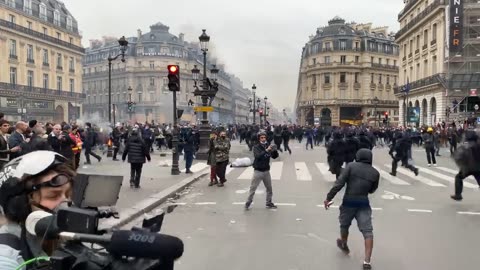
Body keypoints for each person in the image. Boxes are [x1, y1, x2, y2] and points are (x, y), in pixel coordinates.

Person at [0, 151, 76, 269]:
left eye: (68, 194)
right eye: (53, 196)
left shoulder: (57, 237)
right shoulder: (6, 252)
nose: (66, 203)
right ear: (20, 204)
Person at [324, 149, 380, 270]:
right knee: (368, 231)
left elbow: (339, 184)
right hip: (363, 203)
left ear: (358, 156)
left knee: (344, 225)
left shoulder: (351, 166)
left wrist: (328, 198)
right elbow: (372, 190)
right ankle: (367, 261)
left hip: (349, 202)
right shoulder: (375, 173)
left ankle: (344, 244)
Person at [245, 131, 279, 210]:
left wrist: (274, 150)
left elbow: (274, 157)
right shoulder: (256, 147)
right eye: (262, 138)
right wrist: (267, 150)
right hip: (258, 171)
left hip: (266, 171)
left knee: (269, 189)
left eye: (264, 137)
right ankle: (248, 202)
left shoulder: (268, 145)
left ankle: (268, 202)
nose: (263, 139)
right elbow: (258, 156)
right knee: (253, 188)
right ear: (259, 138)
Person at [451, 130, 480, 201]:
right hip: (478, 168)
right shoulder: (478, 144)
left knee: (458, 177)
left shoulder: (465, 146)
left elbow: (457, 156)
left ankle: (458, 195)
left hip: (467, 168)